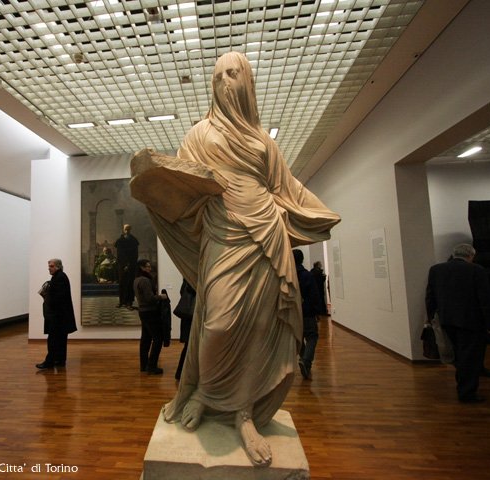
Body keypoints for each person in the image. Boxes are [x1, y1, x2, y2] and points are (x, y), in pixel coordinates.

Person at [130, 51, 340, 466]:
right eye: (218, 76)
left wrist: (314, 212)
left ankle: (243, 413)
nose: (225, 81)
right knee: (219, 323)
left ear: (246, 81)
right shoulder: (199, 133)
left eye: (233, 73)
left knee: (260, 328)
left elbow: (285, 187)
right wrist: (154, 175)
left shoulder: (264, 141)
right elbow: (186, 183)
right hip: (222, 233)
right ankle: (205, 393)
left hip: (267, 234)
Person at [426, 243, 490, 403]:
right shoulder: (476, 270)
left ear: (454, 254)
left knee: (460, 353)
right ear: (471, 256)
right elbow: (485, 299)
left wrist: (430, 317)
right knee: (469, 356)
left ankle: (469, 379)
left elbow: (430, 296)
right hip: (471, 321)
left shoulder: (436, 270)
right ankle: (466, 392)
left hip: (447, 319)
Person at [36, 258, 77, 369]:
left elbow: (57, 298)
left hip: (58, 316)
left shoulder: (59, 278)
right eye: (49, 266)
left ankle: (49, 362)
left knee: (53, 339)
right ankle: (59, 360)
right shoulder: (59, 277)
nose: (49, 268)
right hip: (61, 315)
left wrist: (47, 295)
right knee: (60, 339)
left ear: (58, 266)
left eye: (52, 266)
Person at [134, 259, 167, 375]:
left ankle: (144, 365)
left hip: (143, 312)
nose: (150, 268)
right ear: (142, 267)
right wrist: (161, 297)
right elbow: (149, 299)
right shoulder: (145, 280)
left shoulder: (137, 279)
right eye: (147, 266)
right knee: (158, 338)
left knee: (146, 339)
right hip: (150, 312)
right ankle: (152, 366)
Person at [293, 249, 323, 380]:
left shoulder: (289, 276)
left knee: (299, 338)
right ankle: (306, 361)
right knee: (312, 336)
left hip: (294, 313)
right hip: (307, 312)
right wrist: (316, 311)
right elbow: (314, 295)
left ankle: (305, 362)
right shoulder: (306, 275)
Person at [174, 279, 196, 381]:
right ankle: (182, 373)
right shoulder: (192, 284)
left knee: (188, 347)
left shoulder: (186, 282)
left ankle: (181, 373)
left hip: (187, 319)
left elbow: (181, 292)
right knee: (189, 347)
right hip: (191, 319)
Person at [114, 224, 139, 309]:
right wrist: (124, 265)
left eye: (128, 229)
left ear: (130, 230)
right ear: (123, 230)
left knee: (130, 283)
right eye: (125, 229)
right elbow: (120, 254)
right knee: (122, 283)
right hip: (121, 266)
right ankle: (121, 301)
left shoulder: (134, 240)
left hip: (131, 265)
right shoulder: (119, 241)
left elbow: (135, 255)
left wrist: (129, 265)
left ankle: (129, 303)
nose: (127, 231)